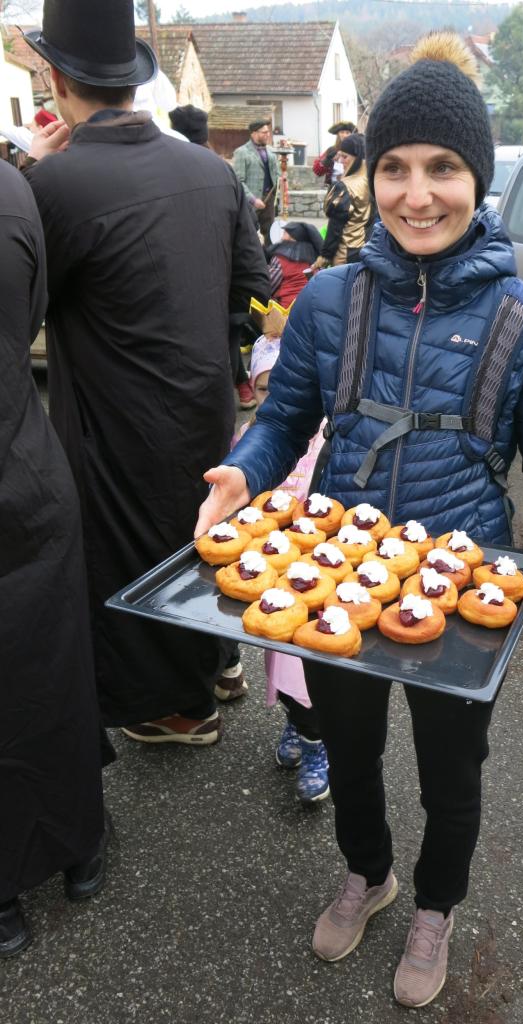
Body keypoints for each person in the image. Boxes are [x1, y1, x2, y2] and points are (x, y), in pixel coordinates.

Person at [196, 32, 523, 1009]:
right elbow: (284, 419)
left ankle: (434, 906)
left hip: (459, 598)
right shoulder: (330, 300)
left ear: (478, 178)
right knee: (352, 751)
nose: (417, 194)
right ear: (370, 175)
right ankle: (367, 872)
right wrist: (243, 470)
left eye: (443, 167)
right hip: (337, 576)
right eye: (395, 167)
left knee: (453, 770)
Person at [24, 0, 270, 746]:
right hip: (204, 399)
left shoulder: (55, 186)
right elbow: (253, 288)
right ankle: (221, 665)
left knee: (132, 552)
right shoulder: (211, 170)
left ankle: (179, 708)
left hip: (115, 416)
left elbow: (22, 297)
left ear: (58, 81)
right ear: (134, 81)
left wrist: (31, 173)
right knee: (203, 531)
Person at [0, 160, 108, 958]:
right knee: (54, 664)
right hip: (27, 464)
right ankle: (77, 845)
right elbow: (30, 309)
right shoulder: (12, 190)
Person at [233, 331, 329, 803]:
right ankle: (298, 723)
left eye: (285, 387)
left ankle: (317, 742)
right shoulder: (248, 440)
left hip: (320, 578)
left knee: (309, 667)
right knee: (279, 660)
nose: (274, 398)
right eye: (264, 388)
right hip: (273, 576)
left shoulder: (328, 439)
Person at [169, 103, 258, 411]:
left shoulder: (168, 170)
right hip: (226, 279)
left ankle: (229, 397)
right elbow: (248, 233)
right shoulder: (220, 169)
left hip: (190, 281)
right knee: (225, 343)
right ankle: (240, 390)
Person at [311, 133, 371, 270]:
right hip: (369, 251)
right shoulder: (374, 181)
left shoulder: (345, 186)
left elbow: (335, 227)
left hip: (346, 254)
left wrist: (325, 256)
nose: (340, 161)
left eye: (345, 157)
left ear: (357, 158)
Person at [232, 119, 280, 246]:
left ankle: (269, 257)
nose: (267, 135)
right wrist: (253, 200)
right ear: (254, 133)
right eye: (264, 132)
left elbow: (277, 176)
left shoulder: (271, 152)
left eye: (268, 132)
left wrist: (280, 190)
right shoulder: (241, 152)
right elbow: (238, 181)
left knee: (270, 234)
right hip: (250, 203)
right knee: (249, 235)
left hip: (269, 200)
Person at [267, 221, 324, 307]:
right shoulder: (315, 259)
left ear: (293, 237)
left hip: (287, 308)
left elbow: (268, 286)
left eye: (284, 233)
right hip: (311, 305)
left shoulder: (280, 258)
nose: (281, 237)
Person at [313, 120, 357, 186]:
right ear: (338, 134)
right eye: (342, 132)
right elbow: (317, 171)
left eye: (347, 133)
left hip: (352, 187)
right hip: (333, 187)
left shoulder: (356, 150)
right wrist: (328, 160)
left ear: (351, 134)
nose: (345, 135)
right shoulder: (331, 150)